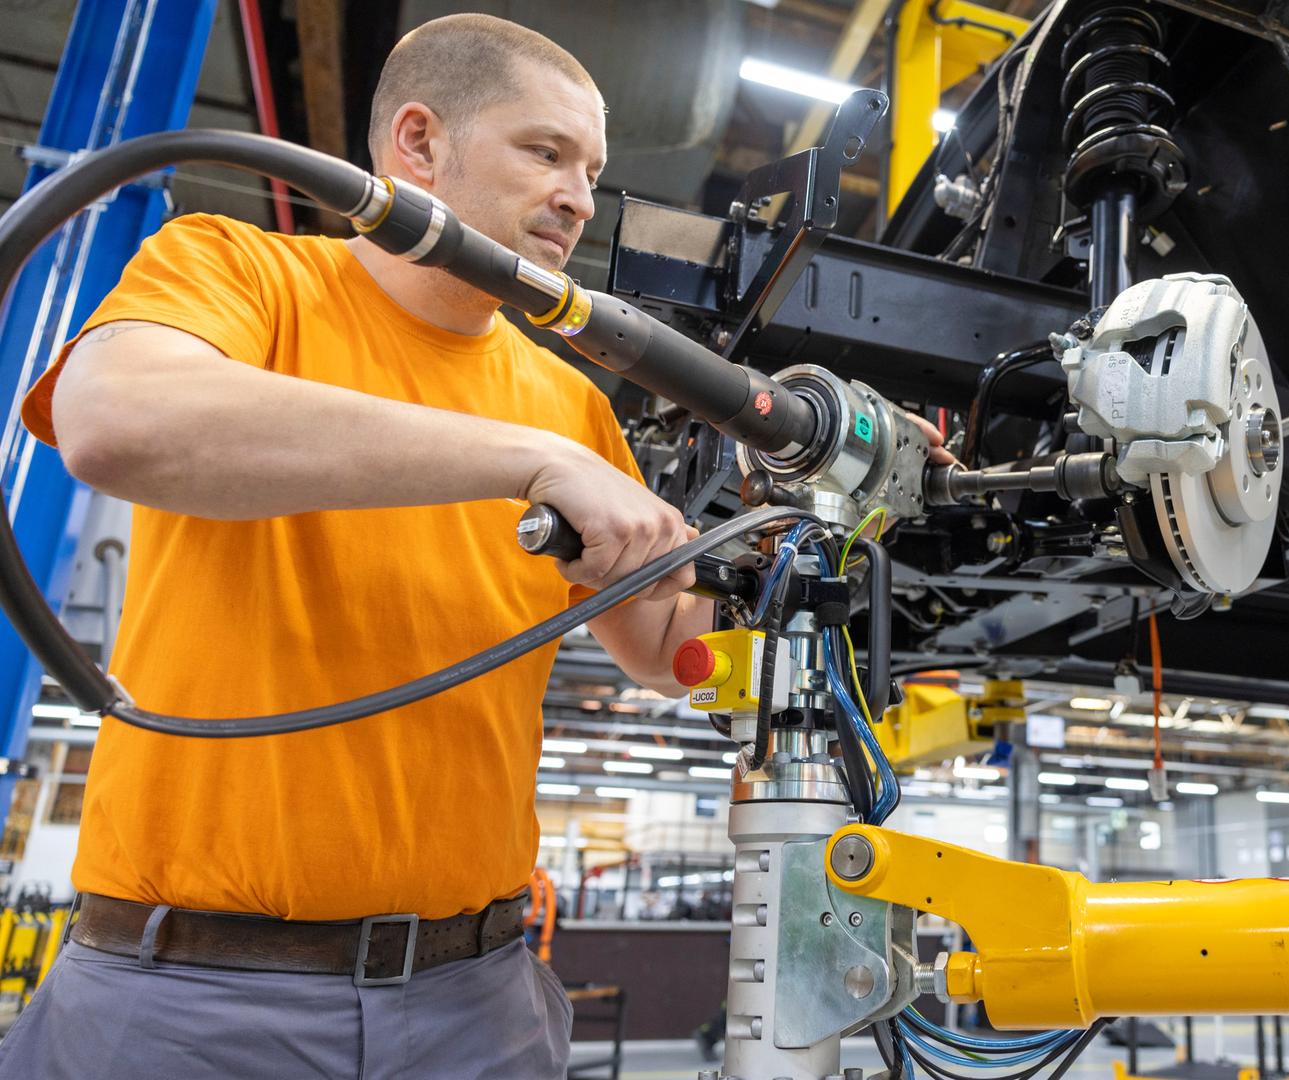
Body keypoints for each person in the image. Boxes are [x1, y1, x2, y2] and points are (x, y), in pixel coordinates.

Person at [0, 14, 953, 1077]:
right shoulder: (241, 271)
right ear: (417, 142)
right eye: (545, 152)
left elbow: (666, 647)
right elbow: (114, 421)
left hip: (474, 1002)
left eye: (591, 170)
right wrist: (522, 460)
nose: (580, 198)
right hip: (190, 1004)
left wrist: (810, 514)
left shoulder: (569, 402)